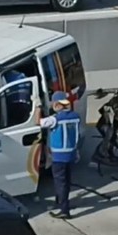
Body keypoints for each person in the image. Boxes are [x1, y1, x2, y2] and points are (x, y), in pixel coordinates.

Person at [37, 91, 81, 219]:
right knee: (66, 181)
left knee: (60, 182)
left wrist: (37, 107)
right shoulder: (76, 116)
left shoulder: (55, 119)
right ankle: (62, 203)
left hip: (59, 156)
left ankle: (64, 210)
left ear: (57, 104)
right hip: (71, 154)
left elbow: (38, 122)